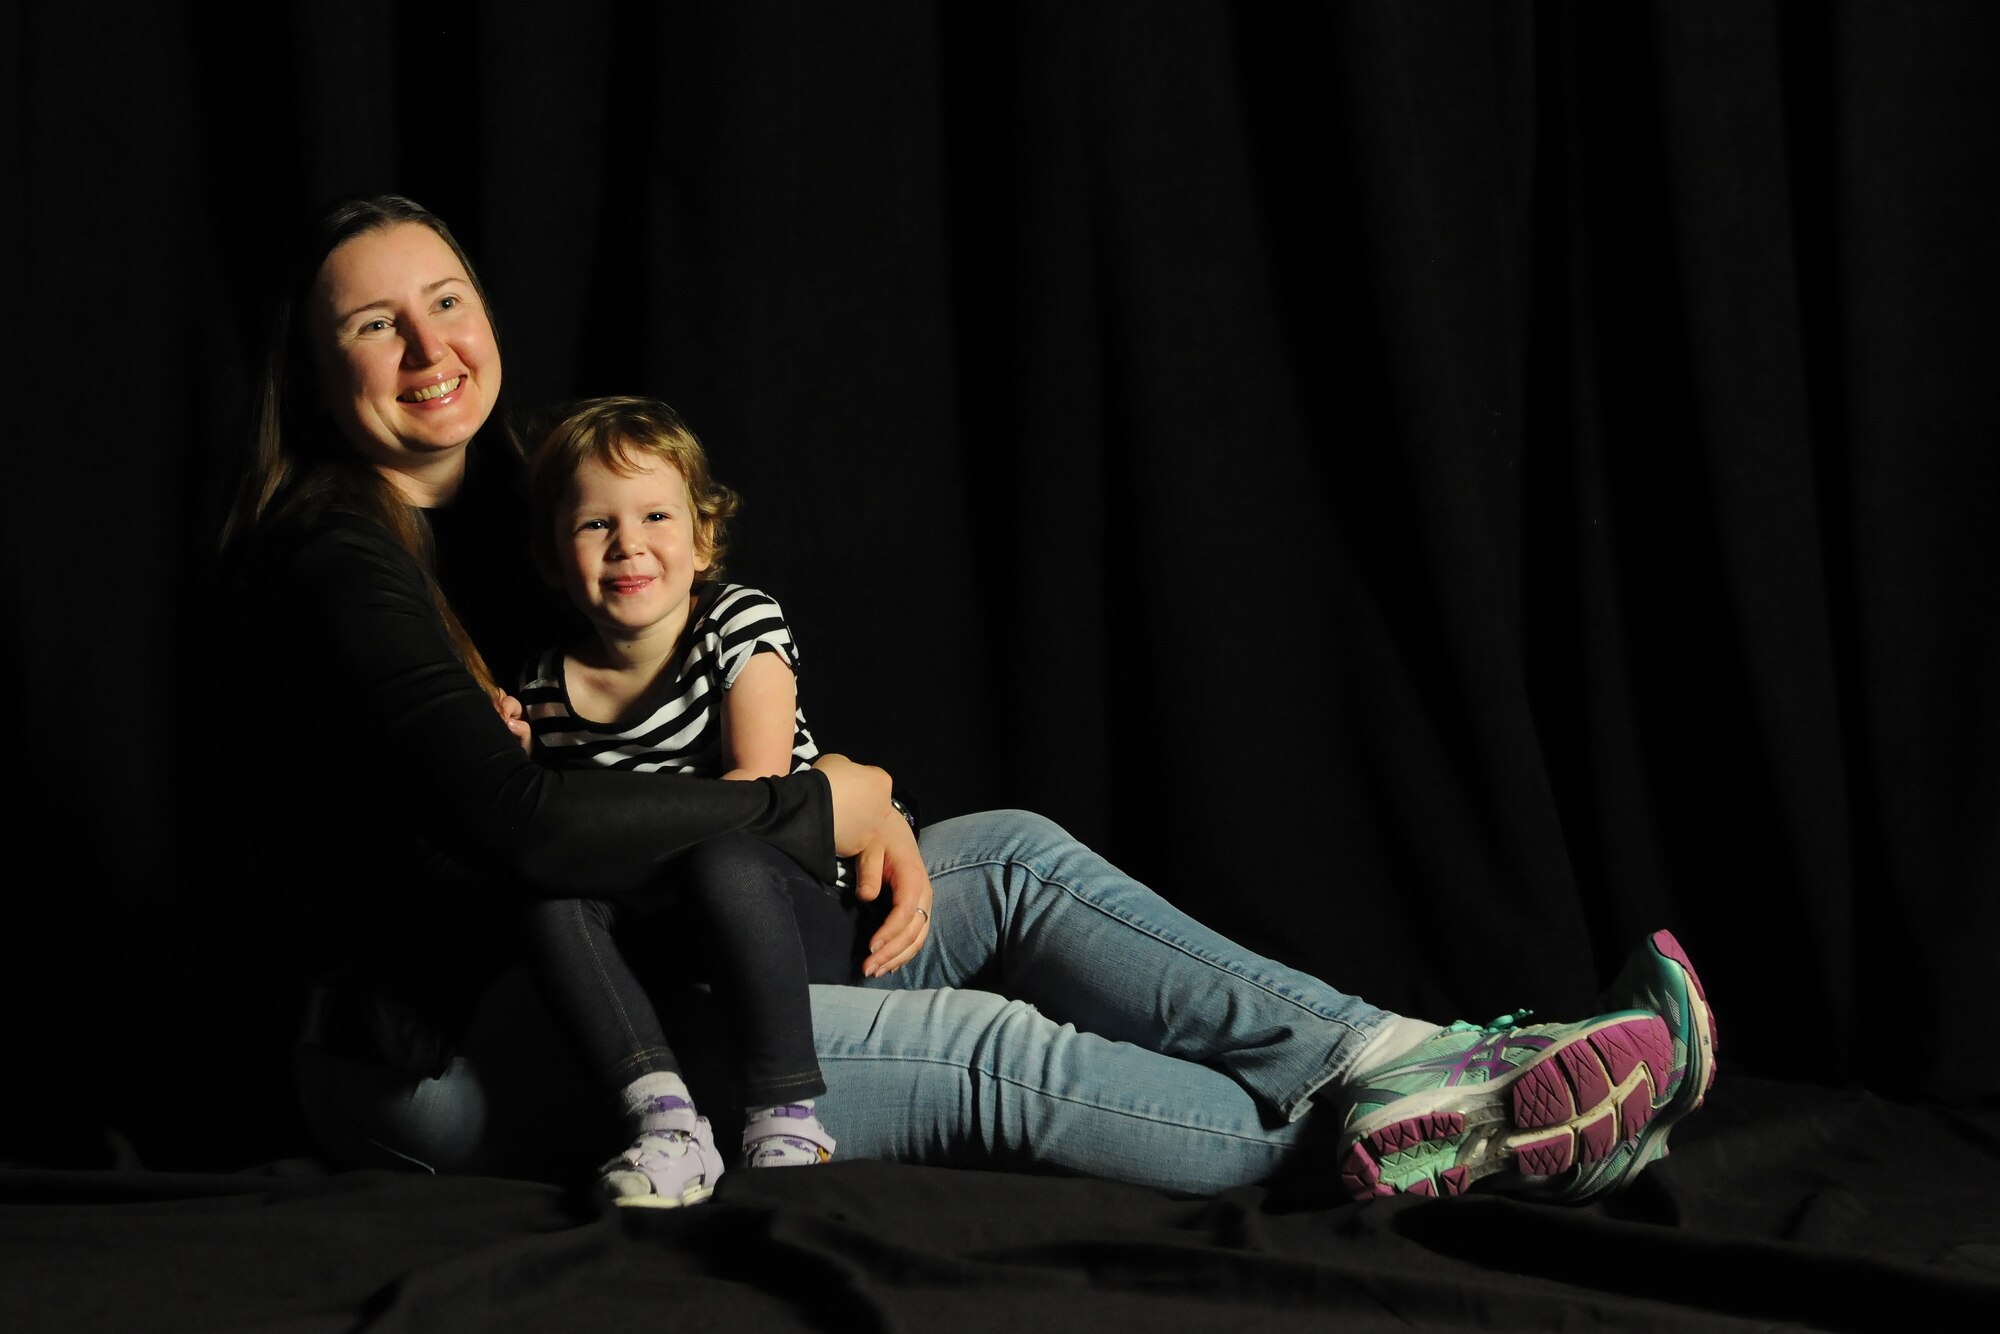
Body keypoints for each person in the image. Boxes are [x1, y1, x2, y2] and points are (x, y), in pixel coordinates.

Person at [221, 191, 1716, 1205]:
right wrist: (809, 803)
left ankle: (1395, 1054)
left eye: (448, 299)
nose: (431, 348)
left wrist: (821, 796)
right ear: (317, 360)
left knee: (1007, 850)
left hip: (650, 953)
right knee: (1001, 1051)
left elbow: (650, 732)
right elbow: (526, 828)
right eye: (375, 324)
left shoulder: (504, 513)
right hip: (471, 1054)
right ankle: (1385, 1144)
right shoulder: (335, 556)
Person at [511, 396, 872, 1206]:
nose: (628, 544)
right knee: (551, 894)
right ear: (551, 557)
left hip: (784, 909)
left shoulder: (738, 625)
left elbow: (760, 796)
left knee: (726, 854)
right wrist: (517, 754)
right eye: (594, 525)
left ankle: (787, 1123)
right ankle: (666, 1126)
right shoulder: (543, 689)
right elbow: (564, 843)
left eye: (654, 517)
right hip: (667, 936)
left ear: (702, 537)